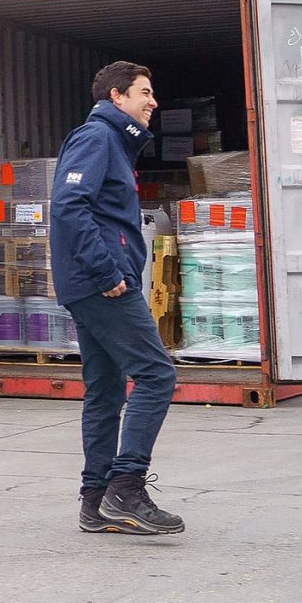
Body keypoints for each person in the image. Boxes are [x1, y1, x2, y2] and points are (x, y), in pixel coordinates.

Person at [53, 61, 185, 535]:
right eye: (144, 92)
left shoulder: (114, 142)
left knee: (106, 390)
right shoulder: (97, 138)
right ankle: (125, 487)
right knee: (156, 374)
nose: (153, 102)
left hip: (94, 281)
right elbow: (69, 205)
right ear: (117, 96)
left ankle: (95, 499)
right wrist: (106, 269)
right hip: (102, 283)